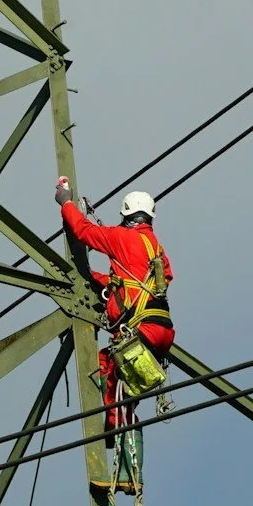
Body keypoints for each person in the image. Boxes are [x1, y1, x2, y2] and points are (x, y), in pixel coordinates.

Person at [54, 180, 173, 435]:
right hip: (161, 331)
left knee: (111, 380)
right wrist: (98, 280)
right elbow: (139, 284)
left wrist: (66, 202)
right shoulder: (157, 250)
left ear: (127, 216)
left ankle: (120, 431)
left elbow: (83, 230)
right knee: (113, 369)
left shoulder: (121, 237)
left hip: (140, 329)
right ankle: (124, 420)